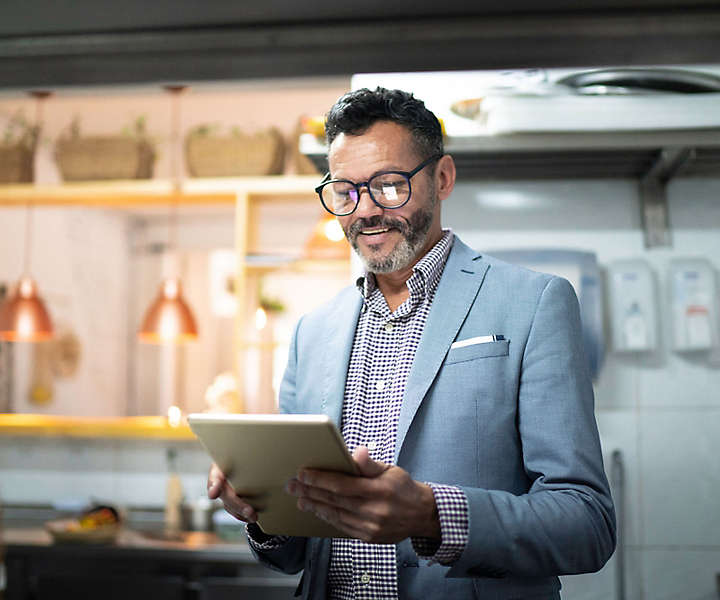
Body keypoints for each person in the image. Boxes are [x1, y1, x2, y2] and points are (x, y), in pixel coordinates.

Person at [208, 87, 616, 599]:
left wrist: (432, 516)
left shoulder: (535, 302)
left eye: (388, 185)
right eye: (346, 191)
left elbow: (588, 523)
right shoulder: (312, 332)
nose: (366, 211)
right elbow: (294, 555)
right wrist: (263, 513)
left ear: (442, 177)